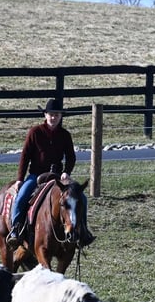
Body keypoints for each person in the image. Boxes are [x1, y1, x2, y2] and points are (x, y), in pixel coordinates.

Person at [7, 99, 95, 247]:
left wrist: (67, 172)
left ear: (60, 117)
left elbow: (71, 157)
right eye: (51, 114)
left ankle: (83, 231)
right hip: (36, 175)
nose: (54, 118)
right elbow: (25, 156)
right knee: (21, 197)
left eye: (57, 115)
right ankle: (16, 230)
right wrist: (20, 179)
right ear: (45, 115)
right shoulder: (35, 132)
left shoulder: (65, 134)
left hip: (58, 176)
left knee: (82, 198)